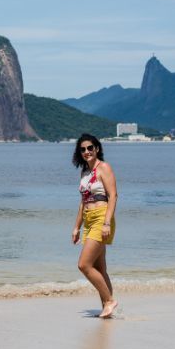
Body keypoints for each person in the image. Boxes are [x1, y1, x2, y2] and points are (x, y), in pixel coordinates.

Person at [72, 133, 118, 318]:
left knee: (83, 265)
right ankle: (106, 308)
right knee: (100, 269)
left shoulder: (104, 167)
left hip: (101, 218)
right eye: (83, 149)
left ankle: (109, 301)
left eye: (90, 148)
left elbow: (113, 196)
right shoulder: (84, 172)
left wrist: (107, 222)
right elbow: (83, 203)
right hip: (89, 219)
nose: (87, 152)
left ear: (97, 148)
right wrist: (76, 227)